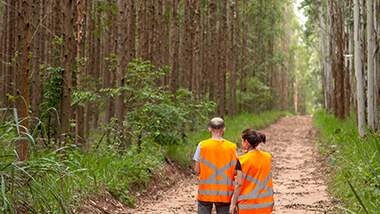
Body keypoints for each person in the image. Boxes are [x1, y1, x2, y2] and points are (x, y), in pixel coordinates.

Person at [193, 117, 237, 214]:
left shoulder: (202, 145)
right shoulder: (232, 147)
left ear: (209, 128)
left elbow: (197, 170)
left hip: (205, 192)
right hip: (225, 192)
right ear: (224, 129)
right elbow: (235, 171)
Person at [229, 129, 274, 214]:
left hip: (248, 205)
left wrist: (233, 204)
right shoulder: (267, 157)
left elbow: (238, 184)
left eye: (242, 141)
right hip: (266, 203)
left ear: (246, 142)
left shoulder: (242, 160)